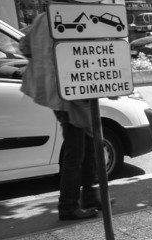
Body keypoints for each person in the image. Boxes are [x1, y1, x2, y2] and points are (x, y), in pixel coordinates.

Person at [20, 7, 102, 221]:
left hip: (58, 90)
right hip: (69, 93)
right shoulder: (70, 16)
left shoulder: (42, 18)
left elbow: (25, 47)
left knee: (88, 144)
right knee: (76, 150)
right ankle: (68, 206)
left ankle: (89, 196)